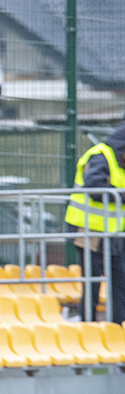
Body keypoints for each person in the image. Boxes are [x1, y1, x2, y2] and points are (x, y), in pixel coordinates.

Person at [64, 123, 125, 323]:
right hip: (87, 231)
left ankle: (118, 327)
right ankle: (87, 326)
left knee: (119, 281)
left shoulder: (119, 161)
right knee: (92, 282)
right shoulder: (100, 156)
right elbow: (94, 187)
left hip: (113, 233)